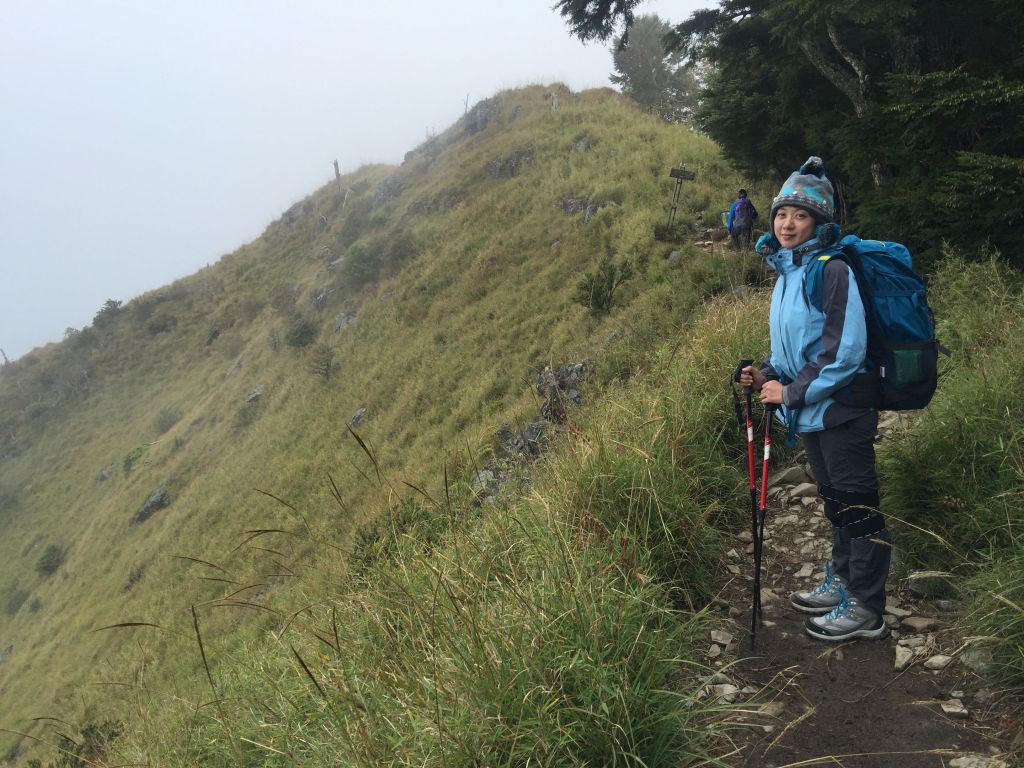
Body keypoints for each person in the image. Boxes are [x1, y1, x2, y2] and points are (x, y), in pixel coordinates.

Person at [739, 156, 891, 642]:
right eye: (782, 213)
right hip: (814, 413)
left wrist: (791, 390)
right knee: (834, 501)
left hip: (843, 411)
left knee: (857, 505)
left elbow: (845, 350)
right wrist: (765, 371)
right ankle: (845, 580)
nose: (787, 223)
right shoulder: (788, 272)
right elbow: (797, 347)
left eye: (800, 215)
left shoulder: (831, 269)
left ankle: (868, 609)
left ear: (819, 222)